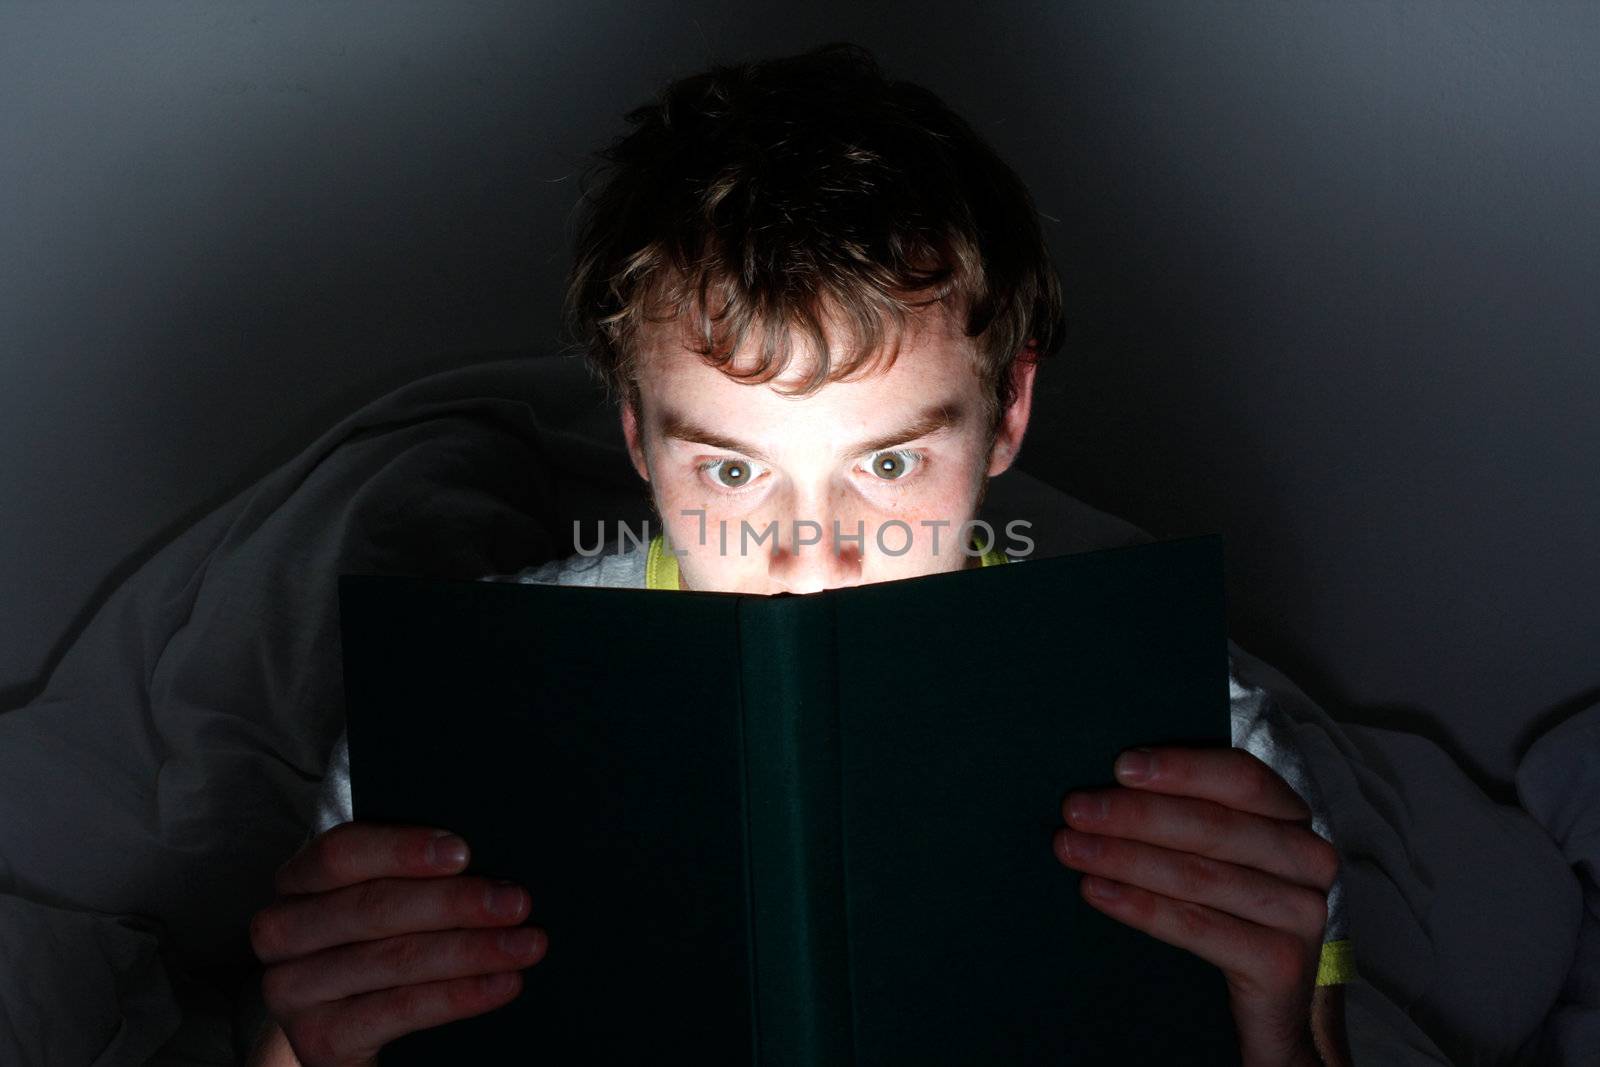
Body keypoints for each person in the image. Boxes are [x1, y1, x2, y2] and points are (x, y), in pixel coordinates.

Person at [246, 42, 1352, 1066]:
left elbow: (1301, 1035)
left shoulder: (1209, 743)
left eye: (887, 465)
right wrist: (303, 1048)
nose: (811, 562)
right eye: (731, 470)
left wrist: (1273, 1029)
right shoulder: (443, 722)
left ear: (1006, 414)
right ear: (636, 434)